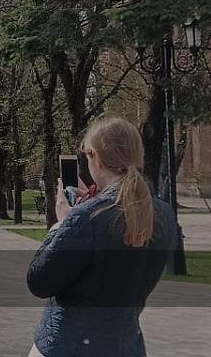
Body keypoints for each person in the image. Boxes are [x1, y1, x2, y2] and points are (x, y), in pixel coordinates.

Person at [27, 116, 176, 356]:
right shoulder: (164, 214)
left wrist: (61, 225)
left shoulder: (88, 217)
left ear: (95, 156)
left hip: (67, 346)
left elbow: (39, 282)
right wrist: (87, 209)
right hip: (125, 345)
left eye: (87, 156)